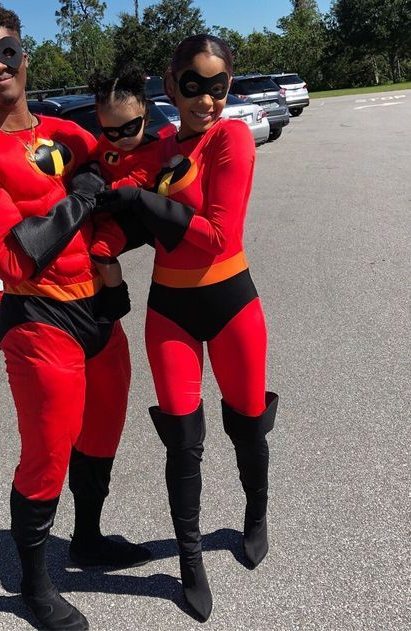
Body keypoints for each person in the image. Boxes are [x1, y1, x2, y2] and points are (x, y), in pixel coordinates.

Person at [0, 4, 150, 630]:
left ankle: (87, 538)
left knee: (104, 430)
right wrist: (83, 199)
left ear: (25, 54)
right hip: (40, 316)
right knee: (47, 451)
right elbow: (11, 256)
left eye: (6, 50)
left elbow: (129, 190)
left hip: (98, 310)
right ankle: (33, 585)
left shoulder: (72, 134)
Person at [97, 34, 279, 621]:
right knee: (182, 441)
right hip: (170, 310)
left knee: (247, 424)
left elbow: (219, 235)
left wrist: (137, 201)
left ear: (230, 84)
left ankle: (255, 515)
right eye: (193, 86)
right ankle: (190, 560)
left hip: (230, 303)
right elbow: (135, 227)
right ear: (170, 86)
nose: (206, 99)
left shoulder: (230, 138)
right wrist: (101, 238)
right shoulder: (158, 150)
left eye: (217, 85)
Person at [87, 65, 175, 294]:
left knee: (100, 250)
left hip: (132, 214)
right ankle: (107, 290)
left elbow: (134, 182)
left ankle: (115, 295)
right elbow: (95, 159)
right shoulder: (105, 145)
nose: (122, 138)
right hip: (106, 211)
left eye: (130, 128)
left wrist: (101, 191)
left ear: (145, 118)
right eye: (112, 132)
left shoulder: (152, 151)